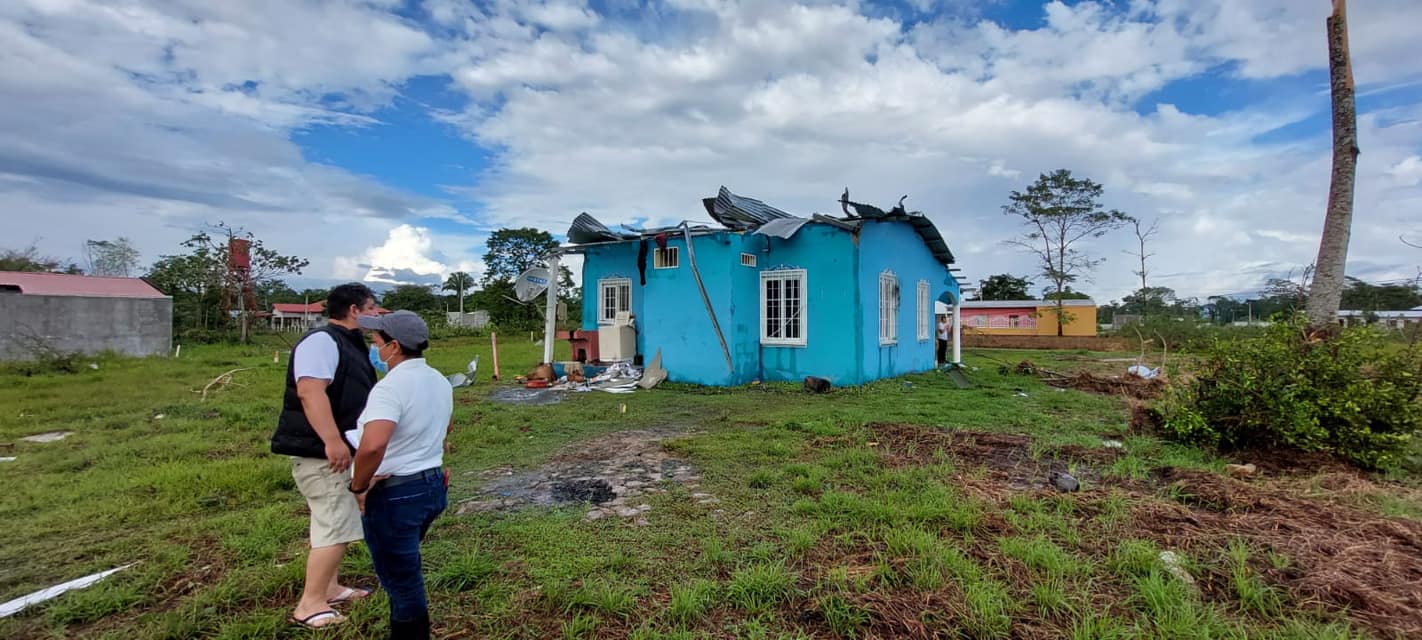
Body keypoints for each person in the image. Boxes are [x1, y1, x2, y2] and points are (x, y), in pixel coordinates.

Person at [270, 283, 378, 630]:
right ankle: (310, 604)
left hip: (337, 450)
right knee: (334, 524)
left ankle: (329, 588)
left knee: (335, 522)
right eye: (371, 308)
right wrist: (332, 440)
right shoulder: (322, 342)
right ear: (354, 310)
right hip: (321, 454)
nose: (376, 314)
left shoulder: (349, 343)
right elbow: (310, 391)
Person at [347, 310, 453, 640]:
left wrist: (358, 485)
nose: (374, 348)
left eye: (376, 341)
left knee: (404, 584)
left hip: (395, 494)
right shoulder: (438, 379)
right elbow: (447, 426)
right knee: (404, 565)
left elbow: (373, 445)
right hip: (431, 486)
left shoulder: (390, 388)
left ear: (393, 347)